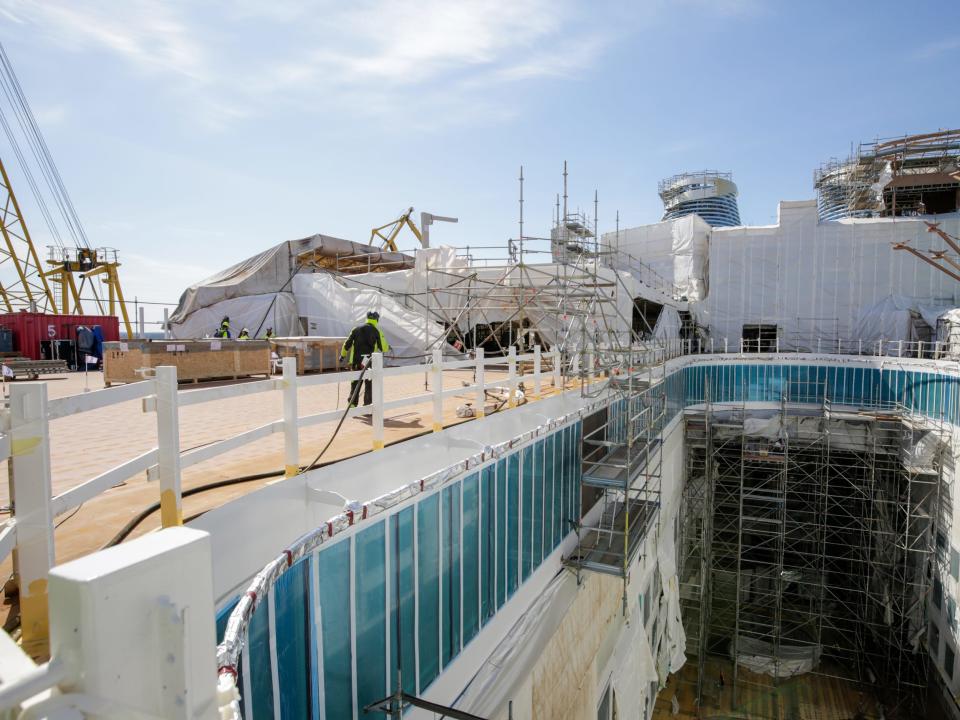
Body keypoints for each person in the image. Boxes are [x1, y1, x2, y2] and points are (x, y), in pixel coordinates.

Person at [341, 311, 390, 407]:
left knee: (355, 384)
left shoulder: (355, 329)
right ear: (377, 319)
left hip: (356, 363)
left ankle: (352, 406)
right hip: (369, 363)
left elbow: (346, 345)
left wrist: (342, 356)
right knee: (369, 385)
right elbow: (383, 348)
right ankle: (367, 406)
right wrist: (387, 346)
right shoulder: (377, 331)